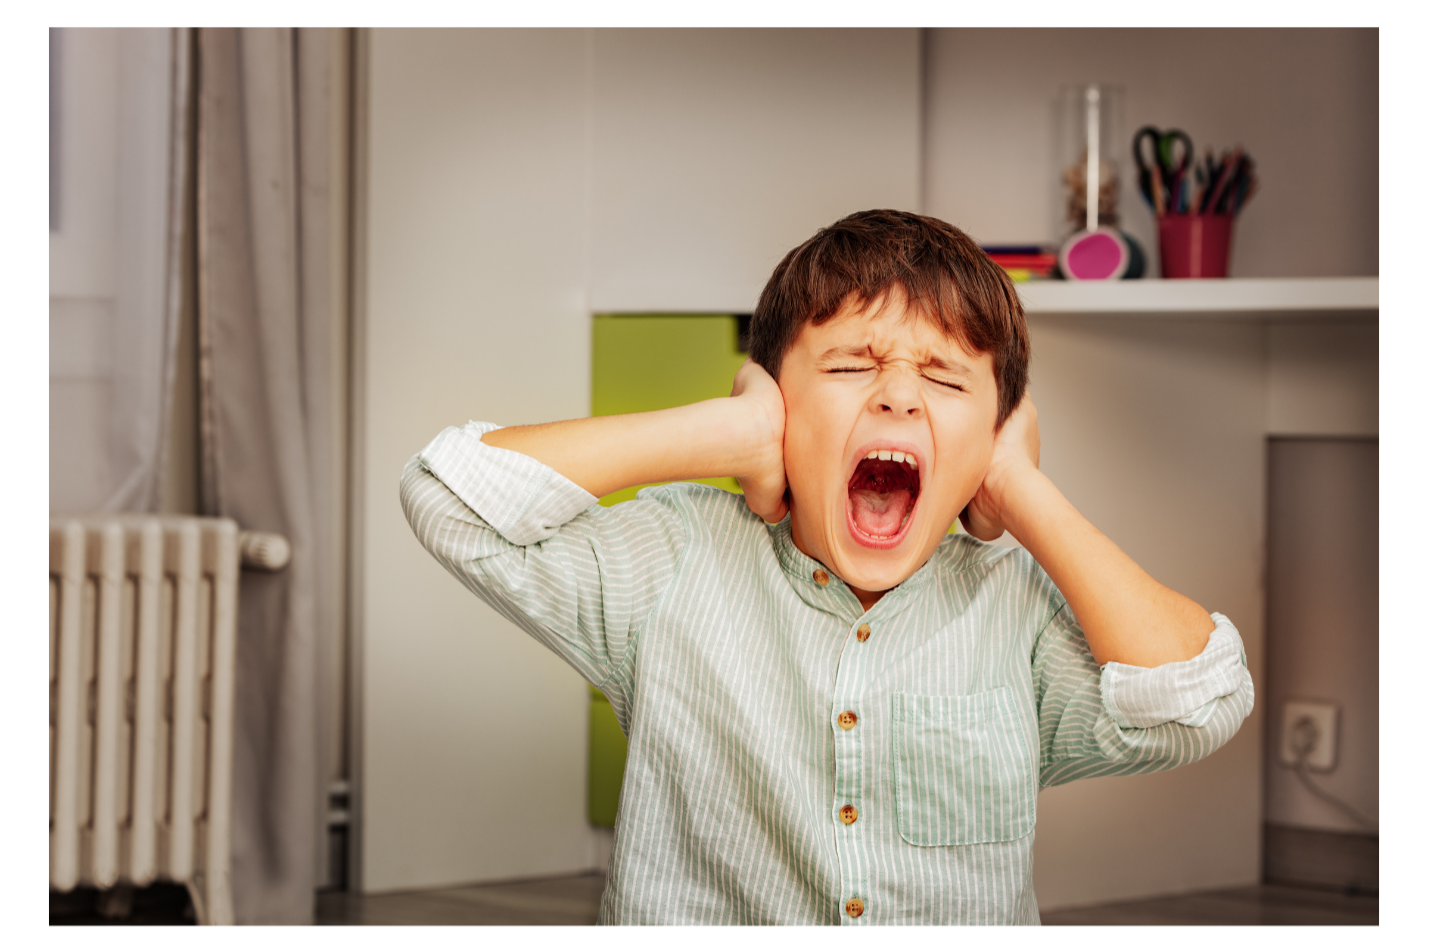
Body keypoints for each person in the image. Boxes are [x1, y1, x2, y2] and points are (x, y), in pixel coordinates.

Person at [400, 209, 1254, 927]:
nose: (897, 396)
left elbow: (1193, 704)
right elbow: (448, 496)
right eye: (849, 366)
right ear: (776, 405)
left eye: (949, 382)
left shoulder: (1012, 610)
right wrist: (722, 432)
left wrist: (1019, 487)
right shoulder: (674, 559)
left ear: (993, 432)